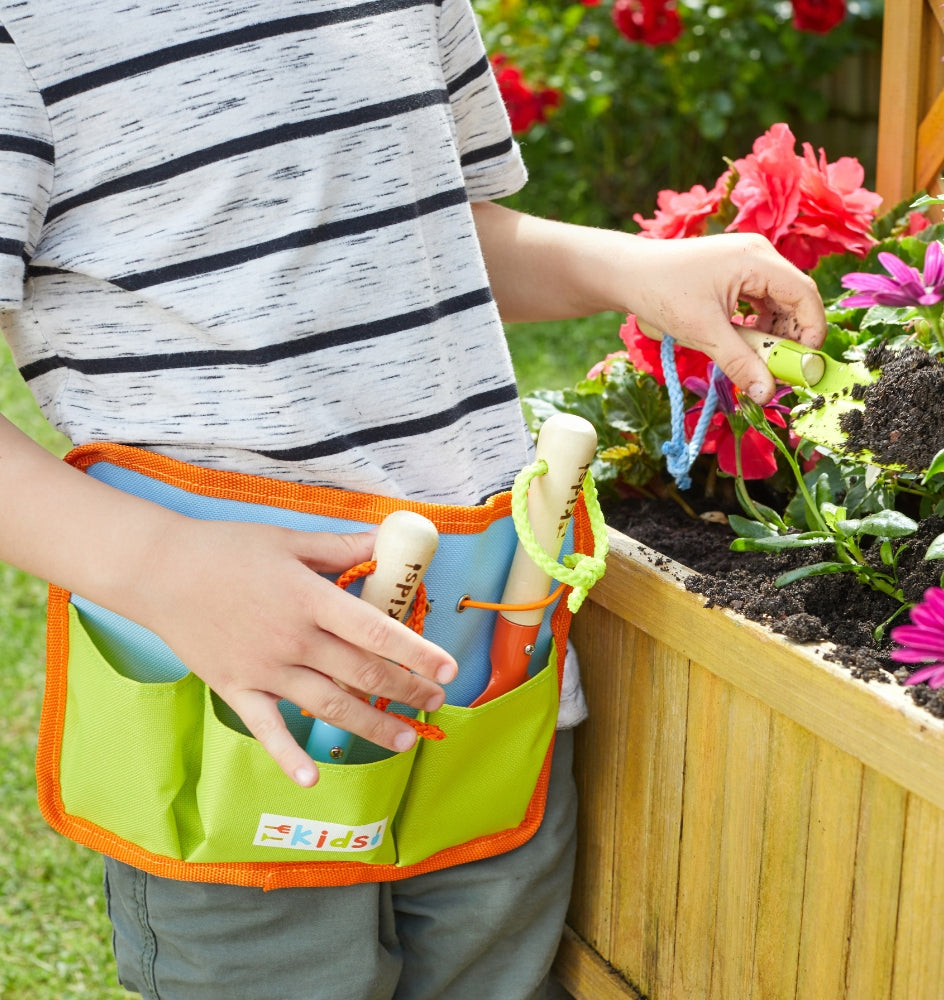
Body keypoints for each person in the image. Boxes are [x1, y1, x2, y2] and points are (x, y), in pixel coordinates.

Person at [0, 2, 827, 998]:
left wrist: (631, 267)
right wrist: (158, 567)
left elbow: (427, 232)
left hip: (477, 673)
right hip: (240, 710)